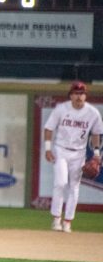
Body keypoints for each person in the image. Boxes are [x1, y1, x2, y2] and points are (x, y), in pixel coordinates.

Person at [44, 80, 103, 233]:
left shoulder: (92, 113)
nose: (79, 96)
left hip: (79, 153)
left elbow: (96, 133)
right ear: (70, 95)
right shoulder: (61, 109)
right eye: (76, 93)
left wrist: (96, 154)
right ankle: (56, 219)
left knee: (74, 187)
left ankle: (68, 221)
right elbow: (49, 128)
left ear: (85, 96)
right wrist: (48, 148)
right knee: (61, 183)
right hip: (61, 150)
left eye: (82, 93)